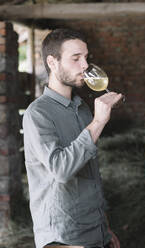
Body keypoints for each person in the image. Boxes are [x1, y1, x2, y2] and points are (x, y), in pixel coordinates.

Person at [22, 29, 121, 248]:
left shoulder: (83, 108)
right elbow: (61, 169)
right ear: (52, 62)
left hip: (95, 231)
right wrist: (98, 122)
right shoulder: (37, 114)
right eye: (76, 58)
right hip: (64, 237)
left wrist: (104, 227)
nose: (85, 65)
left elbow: (91, 174)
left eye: (86, 57)